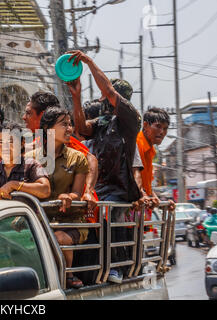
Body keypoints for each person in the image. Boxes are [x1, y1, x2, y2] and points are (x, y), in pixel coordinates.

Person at [67, 50, 141, 284]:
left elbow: (109, 91)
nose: (102, 99)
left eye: (106, 96)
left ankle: (116, 267)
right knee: (91, 221)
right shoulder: (103, 123)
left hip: (120, 190)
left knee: (110, 218)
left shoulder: (129, 119)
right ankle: (91, 270)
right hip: (99, 189)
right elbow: (80, 128)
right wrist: (76, 97)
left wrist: (88, 62)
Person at [27, 107, 90, 288]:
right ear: (48, 129)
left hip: (71, 221)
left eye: (70, 124)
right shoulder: (30, 159)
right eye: (64, 124)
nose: (70, 129)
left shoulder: (77, 158)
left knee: (59, 237)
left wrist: (69, 196)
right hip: (40, 220)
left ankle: (66, 275)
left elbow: (77, 193)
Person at [22, 91, 99, 214]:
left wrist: (88, 192)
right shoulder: (32, 147)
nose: (24, 117)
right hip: (41, 216)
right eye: (64, 124)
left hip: (74, 215)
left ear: (43, 116)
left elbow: (91, 160)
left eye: (28, 113)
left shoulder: (67, 144)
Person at [136, 108, 176, 211]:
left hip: (141, 212)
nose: (162, 132)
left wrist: (160, 202)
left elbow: (146, 186)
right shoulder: (137, 144)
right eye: (158, 126)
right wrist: (145, 195)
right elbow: (134, 179)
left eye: (165, 128)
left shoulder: (151, 150)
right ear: (145, 125)